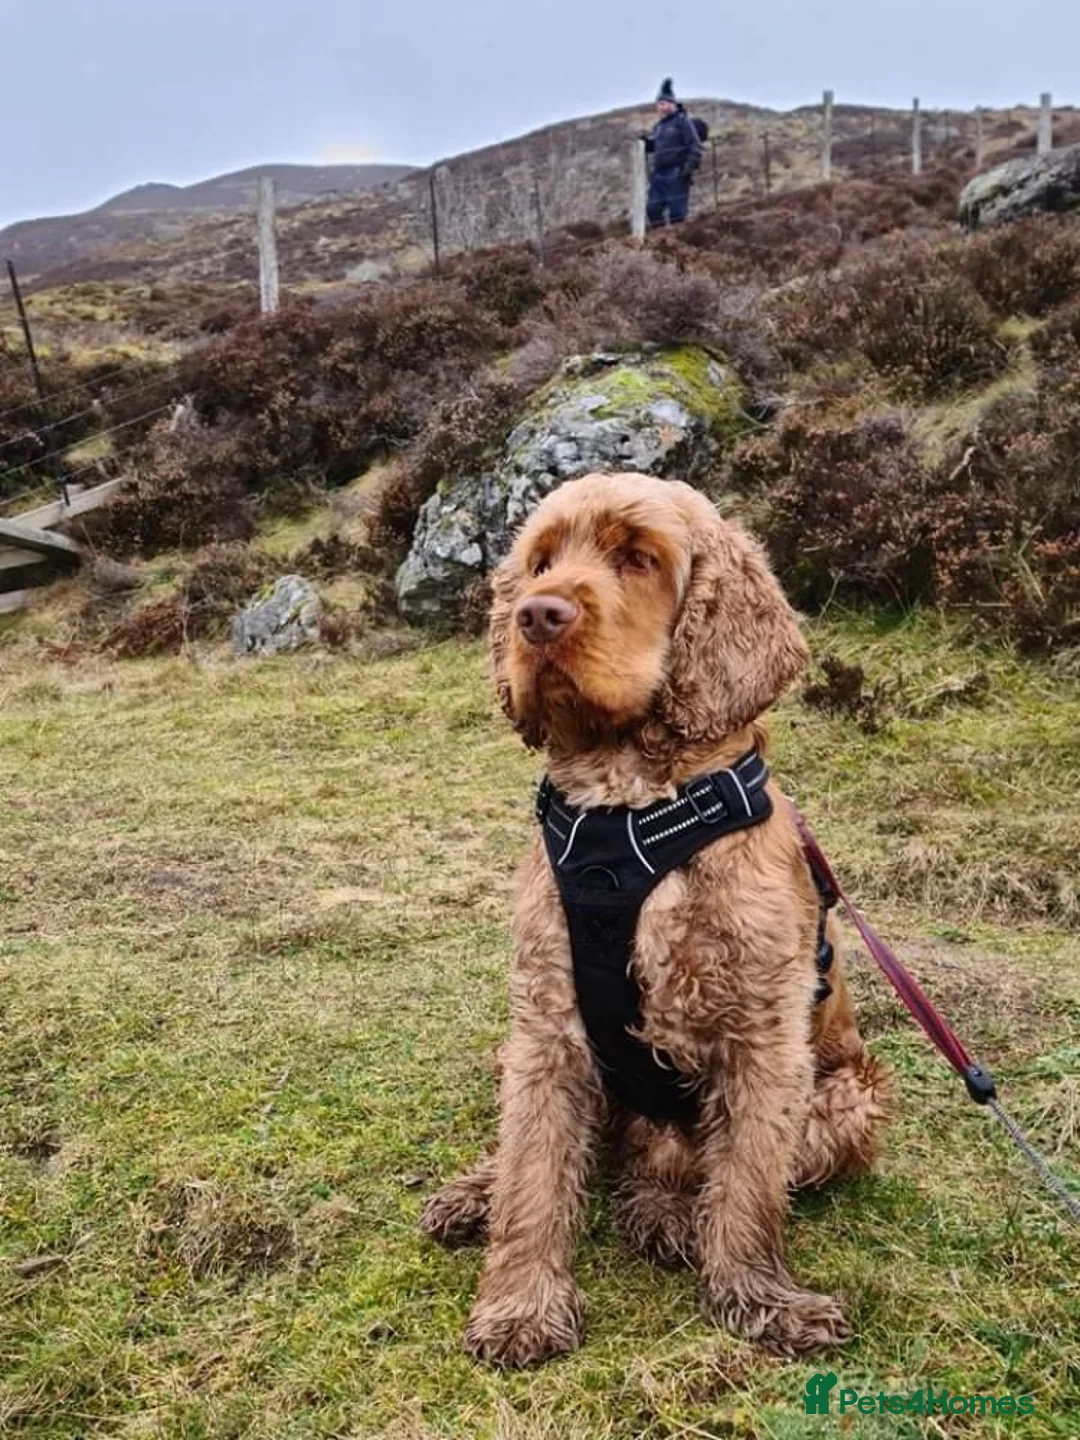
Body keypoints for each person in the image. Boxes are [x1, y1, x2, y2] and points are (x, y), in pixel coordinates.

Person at [643, 78, 703, 228]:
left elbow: (695, 145)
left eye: (663, 103)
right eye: (659, 104)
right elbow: (656, 145)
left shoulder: (682, 122)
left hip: (676, 172)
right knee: (652, 209)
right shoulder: (659, 127)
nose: (661, 107)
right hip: (658, 174)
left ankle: (678, 244)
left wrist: (689, 168)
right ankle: (661, 241)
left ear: (672, 104)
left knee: (677, 213)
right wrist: (645, 143)